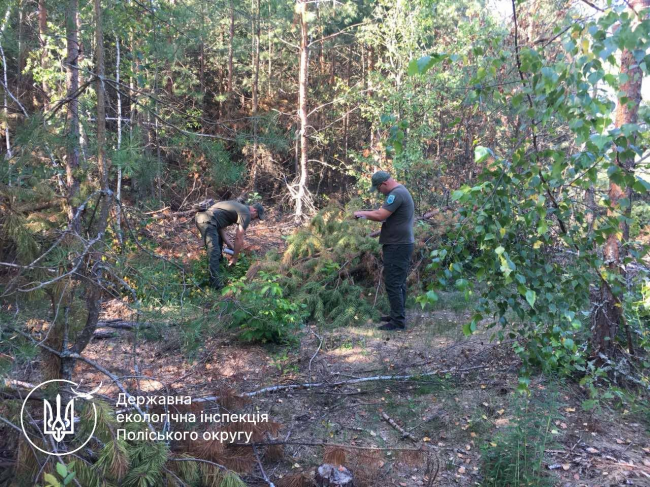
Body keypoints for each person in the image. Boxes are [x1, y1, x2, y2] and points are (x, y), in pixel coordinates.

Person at [354, 171, 414, 331]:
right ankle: (397, 315)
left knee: (394, 283)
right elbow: (382, 213)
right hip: (400, 244)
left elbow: (381, 215)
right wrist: (365, 213)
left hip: (398, 245)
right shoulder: (399, 192)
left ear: (384, 184)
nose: (379, 192)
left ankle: (398, 322)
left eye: (379, 189)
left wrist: (360, 214)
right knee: (398, 282)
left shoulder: (397, 193)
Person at [195, 200, 265, 289]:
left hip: (206, 219)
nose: (254, 219)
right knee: (214, 252)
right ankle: (215, 285)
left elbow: (221, 229)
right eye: (256, 217)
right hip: (207, 220)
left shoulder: (237, 208)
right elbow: (239, 238)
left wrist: (230, 245)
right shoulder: (246, 214)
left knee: (218, 248)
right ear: (254, 211)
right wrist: (235, 257)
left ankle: (221, 273)